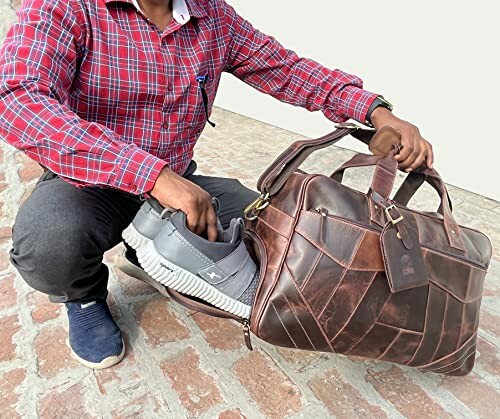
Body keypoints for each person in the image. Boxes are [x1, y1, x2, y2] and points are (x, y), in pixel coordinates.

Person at [0, 0, 433, 369]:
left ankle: (145, 251)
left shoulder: (212, 16)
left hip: (180, 185)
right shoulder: (67, 6)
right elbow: (17, 97)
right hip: (91, 183)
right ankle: (84, 296)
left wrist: (374, 110)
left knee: (277, 235)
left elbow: (287, 69)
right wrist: (150, 174)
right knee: (48, 243)